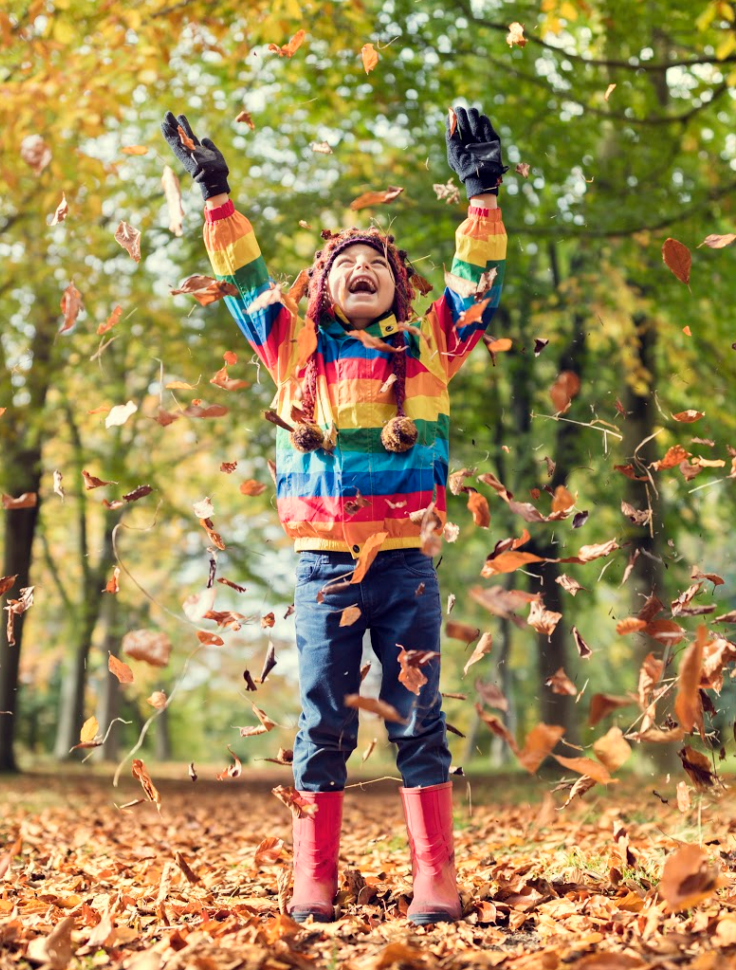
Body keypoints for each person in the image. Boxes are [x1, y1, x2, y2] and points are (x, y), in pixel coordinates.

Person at [161, 106, 507, 925]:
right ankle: (314, 877)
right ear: (321, 287)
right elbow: (246, 283)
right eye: (345, 261)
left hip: (405, 569)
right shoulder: (293, 353)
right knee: (325, 719)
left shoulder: (428, 350)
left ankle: (436, 878)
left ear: (398, 287)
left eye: (376, 261)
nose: (361, 266)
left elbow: (472, 287)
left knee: (420, 715)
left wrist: (483, 199)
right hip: (323, 571)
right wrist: (218, 199)